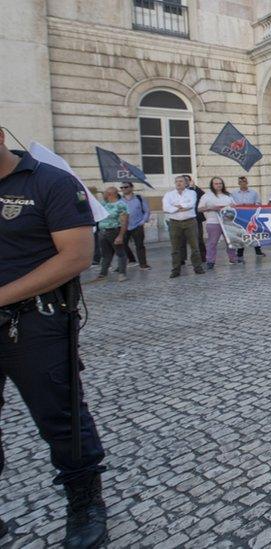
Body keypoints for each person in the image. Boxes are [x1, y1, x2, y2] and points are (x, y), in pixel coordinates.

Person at [0, 126, 108, 548]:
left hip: (33, 323)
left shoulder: (49, 181)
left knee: (62, 418)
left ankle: (84, 504)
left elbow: (77, 255)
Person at [163, 175, 205, 277]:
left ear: (186, 183)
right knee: (175, 248)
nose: (178, 183)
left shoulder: (192, 193)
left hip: (190, 222)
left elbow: (191, 204)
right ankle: (176, 270)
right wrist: (179, 208)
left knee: (195, 246)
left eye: (181, 181)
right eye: (176, 181)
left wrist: (176, 206)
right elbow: (166, 207)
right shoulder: (169, 194)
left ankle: (197, 267)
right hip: (174, 222)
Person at [198, 177, 239, 269]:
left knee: (231, 241)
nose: (218, 185)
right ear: (212, 185)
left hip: (228, 222)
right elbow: (199, 209)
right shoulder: (206, 196)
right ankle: (210, 261)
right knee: (212, 243)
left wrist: (233, 207)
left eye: (220, 183)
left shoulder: (228, 195)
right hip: (213, 222)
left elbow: (235, 207)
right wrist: (211, 208)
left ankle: (233, 258)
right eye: (216, 183)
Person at [94, 186, 128, 282]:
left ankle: (122, 273)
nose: (103, 194)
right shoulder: (103, 204)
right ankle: (103, 274)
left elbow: (124, 221)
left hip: (114, 231)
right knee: (106, 254)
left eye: (104, 193)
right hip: (102, 232)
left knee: (120, 253)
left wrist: (120, 236)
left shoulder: (121, 205)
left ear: (110, 194)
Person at [120, 182, 151, 270]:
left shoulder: (139, 198)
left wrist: (143, 221)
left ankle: (143, 264)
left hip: (137, 225)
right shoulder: (120, 200)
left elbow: (146, 211)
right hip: (124, 226)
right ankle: (131, 260)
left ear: (131, 188)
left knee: (139, 245)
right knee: (122, 244)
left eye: (125, 187)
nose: (123, 189)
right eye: (121, 188)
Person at [231, 176, 264, 258]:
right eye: (241, 181)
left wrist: (251, 206)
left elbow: (258, 203)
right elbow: (231, 204)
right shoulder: (233, 193)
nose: (243, 183)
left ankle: (258, 250)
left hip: (251, 216)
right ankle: (240, 252)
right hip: (239, 217)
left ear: (247, 182)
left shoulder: (254, 193)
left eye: (244, 181)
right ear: (238, 183)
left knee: (254, 232)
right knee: (240, 234)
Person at [184, 174, 207, 260]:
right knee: (183, 241)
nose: (185, 182)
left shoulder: (196, 190)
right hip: (185, 218)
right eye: (184, 180)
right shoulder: (179, 191)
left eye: (187, 180)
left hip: (196, 218)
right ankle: (182, 259)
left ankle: (203, 257)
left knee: (199, 238)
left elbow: (203, 196)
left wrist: (194, 187)